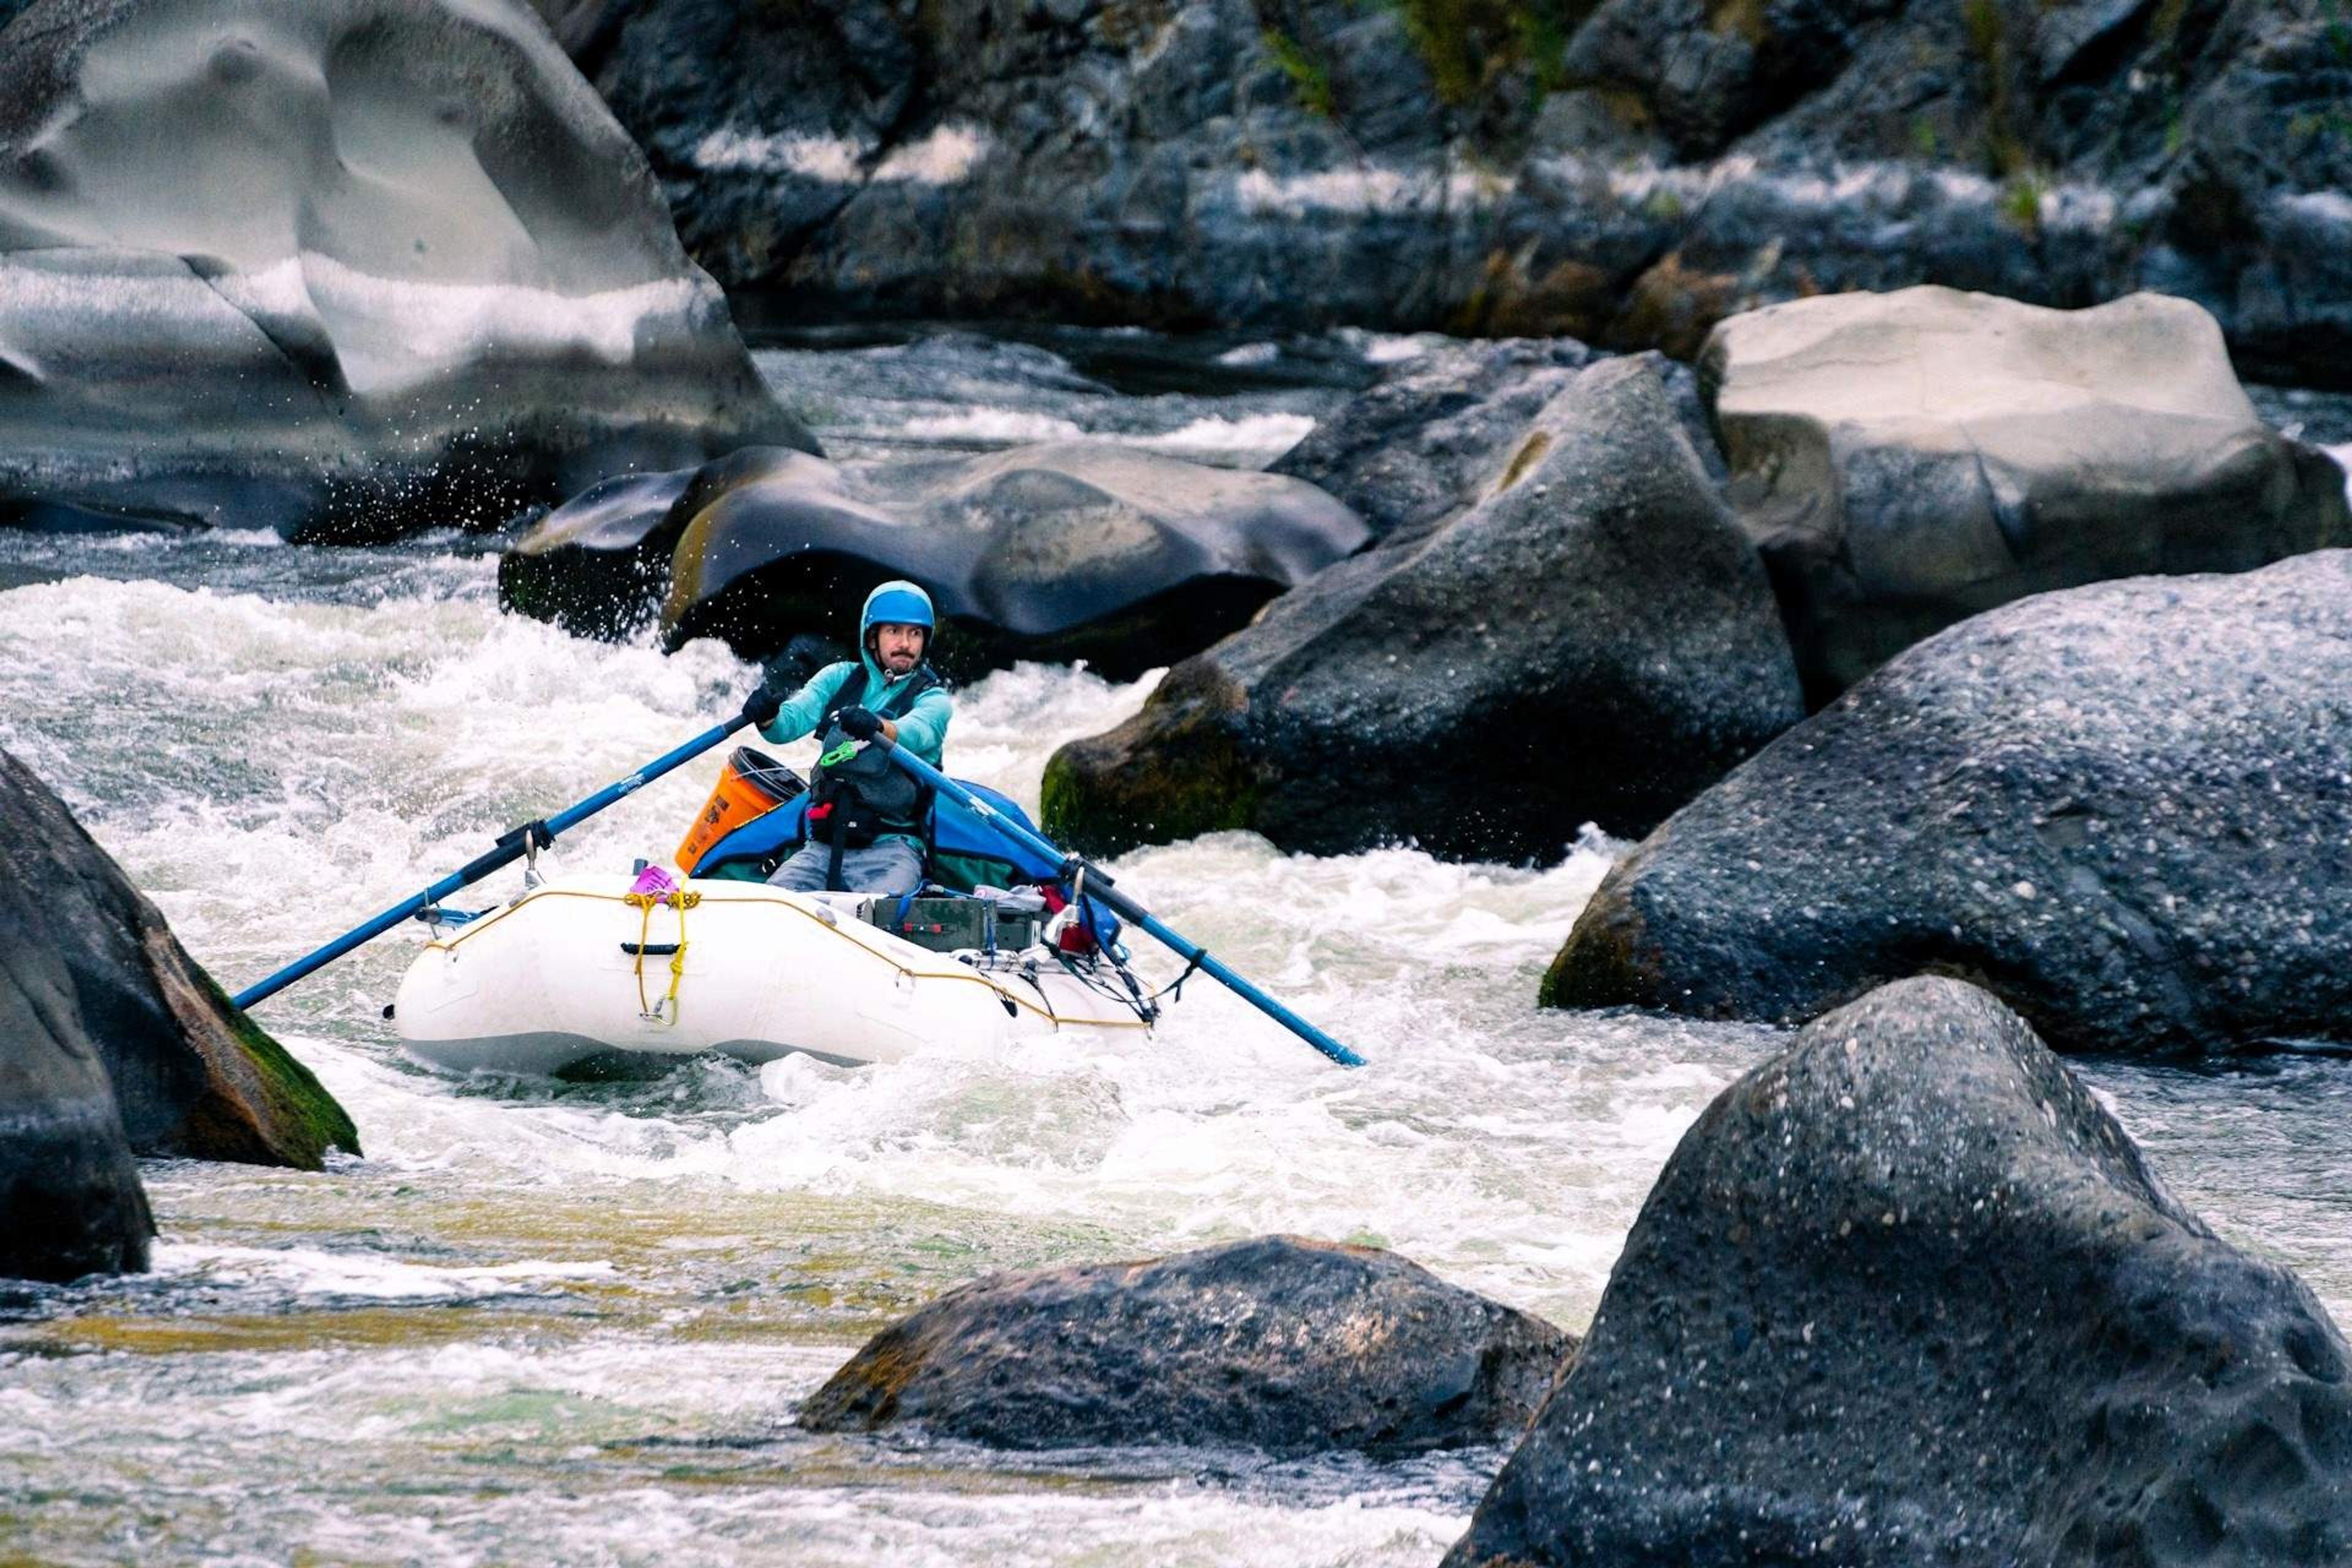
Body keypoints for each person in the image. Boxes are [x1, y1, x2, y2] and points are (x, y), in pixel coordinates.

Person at [737, 579, 952, 896]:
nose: (906, 643)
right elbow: (788, 725)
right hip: (822, 849)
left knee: (877, 912)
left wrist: (878, 727)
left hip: (894, 850)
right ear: (872, 637)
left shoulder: (934, 700)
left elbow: (915, 733)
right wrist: (769, 715)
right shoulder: (838, 679)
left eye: (915, 633)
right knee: (773, 904)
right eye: (894, 631)